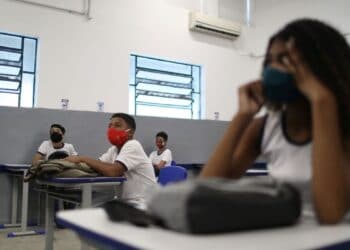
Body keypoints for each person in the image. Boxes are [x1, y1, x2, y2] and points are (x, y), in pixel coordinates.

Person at [200, 19, 350, 224]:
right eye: (270, 61)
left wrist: (322, 100)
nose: (273, 69)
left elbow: (330, 214)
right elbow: (205, 193)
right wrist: (242, 117)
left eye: (285, 60)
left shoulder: (344, 124)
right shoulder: (265, 127)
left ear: (318, 66)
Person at [65, 113, 156, 208]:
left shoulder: (133, 145)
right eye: (110, 126)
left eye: (117, 125)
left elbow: (113, 171)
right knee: (91, 210)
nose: (112, 129)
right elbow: (97, 165)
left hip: (144, 204)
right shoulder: (114, 150)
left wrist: (82, 158)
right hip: (125, 202)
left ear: (130, 132)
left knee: (91, 214)